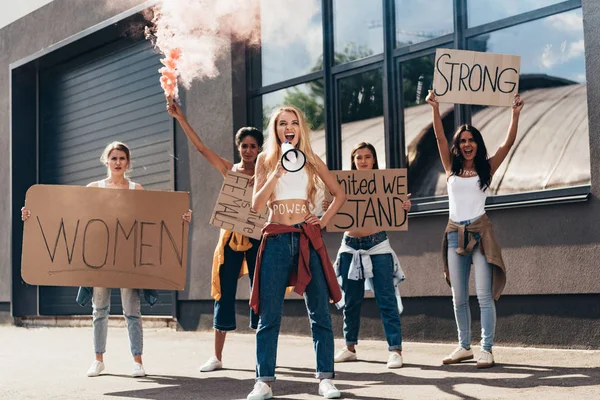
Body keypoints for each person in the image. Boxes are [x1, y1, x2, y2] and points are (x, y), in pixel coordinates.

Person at [21, 141, 192, 377]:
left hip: (129, 260)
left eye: (122, 158)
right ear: (106, 161)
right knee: (99, 309)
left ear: (128, 162)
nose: (118, 162)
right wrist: (33, 214)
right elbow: (70, 217)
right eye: (114, 158)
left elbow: (154, 220)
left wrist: (180, 217)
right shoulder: (94, 187)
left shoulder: (136, 190)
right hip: (100, 259)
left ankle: (137, 362)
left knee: (132, 310)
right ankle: (98, 359)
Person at [246, 105, 346, 400]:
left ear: (300, 128)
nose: (288, 128)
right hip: (276, 239)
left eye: (293, 123)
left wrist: (323, 221)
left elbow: (339, 194)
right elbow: (256, 206)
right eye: (281, 123)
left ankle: (325, 379)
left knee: (319, 313)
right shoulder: (265, 160)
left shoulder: (311, 159)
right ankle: (263, 381)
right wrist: (275, 175)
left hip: (305, 237)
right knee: (270, 314)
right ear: (275, 130)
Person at [425, 90, 524, 368]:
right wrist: (436, 107)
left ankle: (487, 348)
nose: (467, 144)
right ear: (458, 146)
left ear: (477, 144)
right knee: (458, 296)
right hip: (455, 233)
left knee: (483, 295)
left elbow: (508, 143)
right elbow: (439, 138)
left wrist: (514, 113)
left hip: (480, 234)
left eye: (471, 140)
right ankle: (463, 346)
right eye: (462, 141)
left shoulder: (486, 168)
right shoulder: (450, 168)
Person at [167, 101, 264, 372]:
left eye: (253, 146)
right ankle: (217, 356)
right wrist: (181, 117)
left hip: (257, 238)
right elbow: (201, 148)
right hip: (230, 238)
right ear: (238, 147)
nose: (248, 150)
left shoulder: (267, 175)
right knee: (223, 292)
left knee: (261, 292)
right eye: (244, 145)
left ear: (259, 149)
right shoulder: (228, 169)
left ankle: (264, 355)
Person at [322, 142, 411, 369]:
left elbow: (393, 210)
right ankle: (350, 347)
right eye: (358, 157)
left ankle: (395, 350)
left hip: (377, 245)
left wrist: (403, 206)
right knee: (351, 301)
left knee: (386, 298)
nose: (362, 160)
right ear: (353, 161)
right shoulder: (341, 187)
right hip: (350, 245)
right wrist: (327, 207)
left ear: (374, 160)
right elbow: (332, 214)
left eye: (367, 156)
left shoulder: (385, 185)